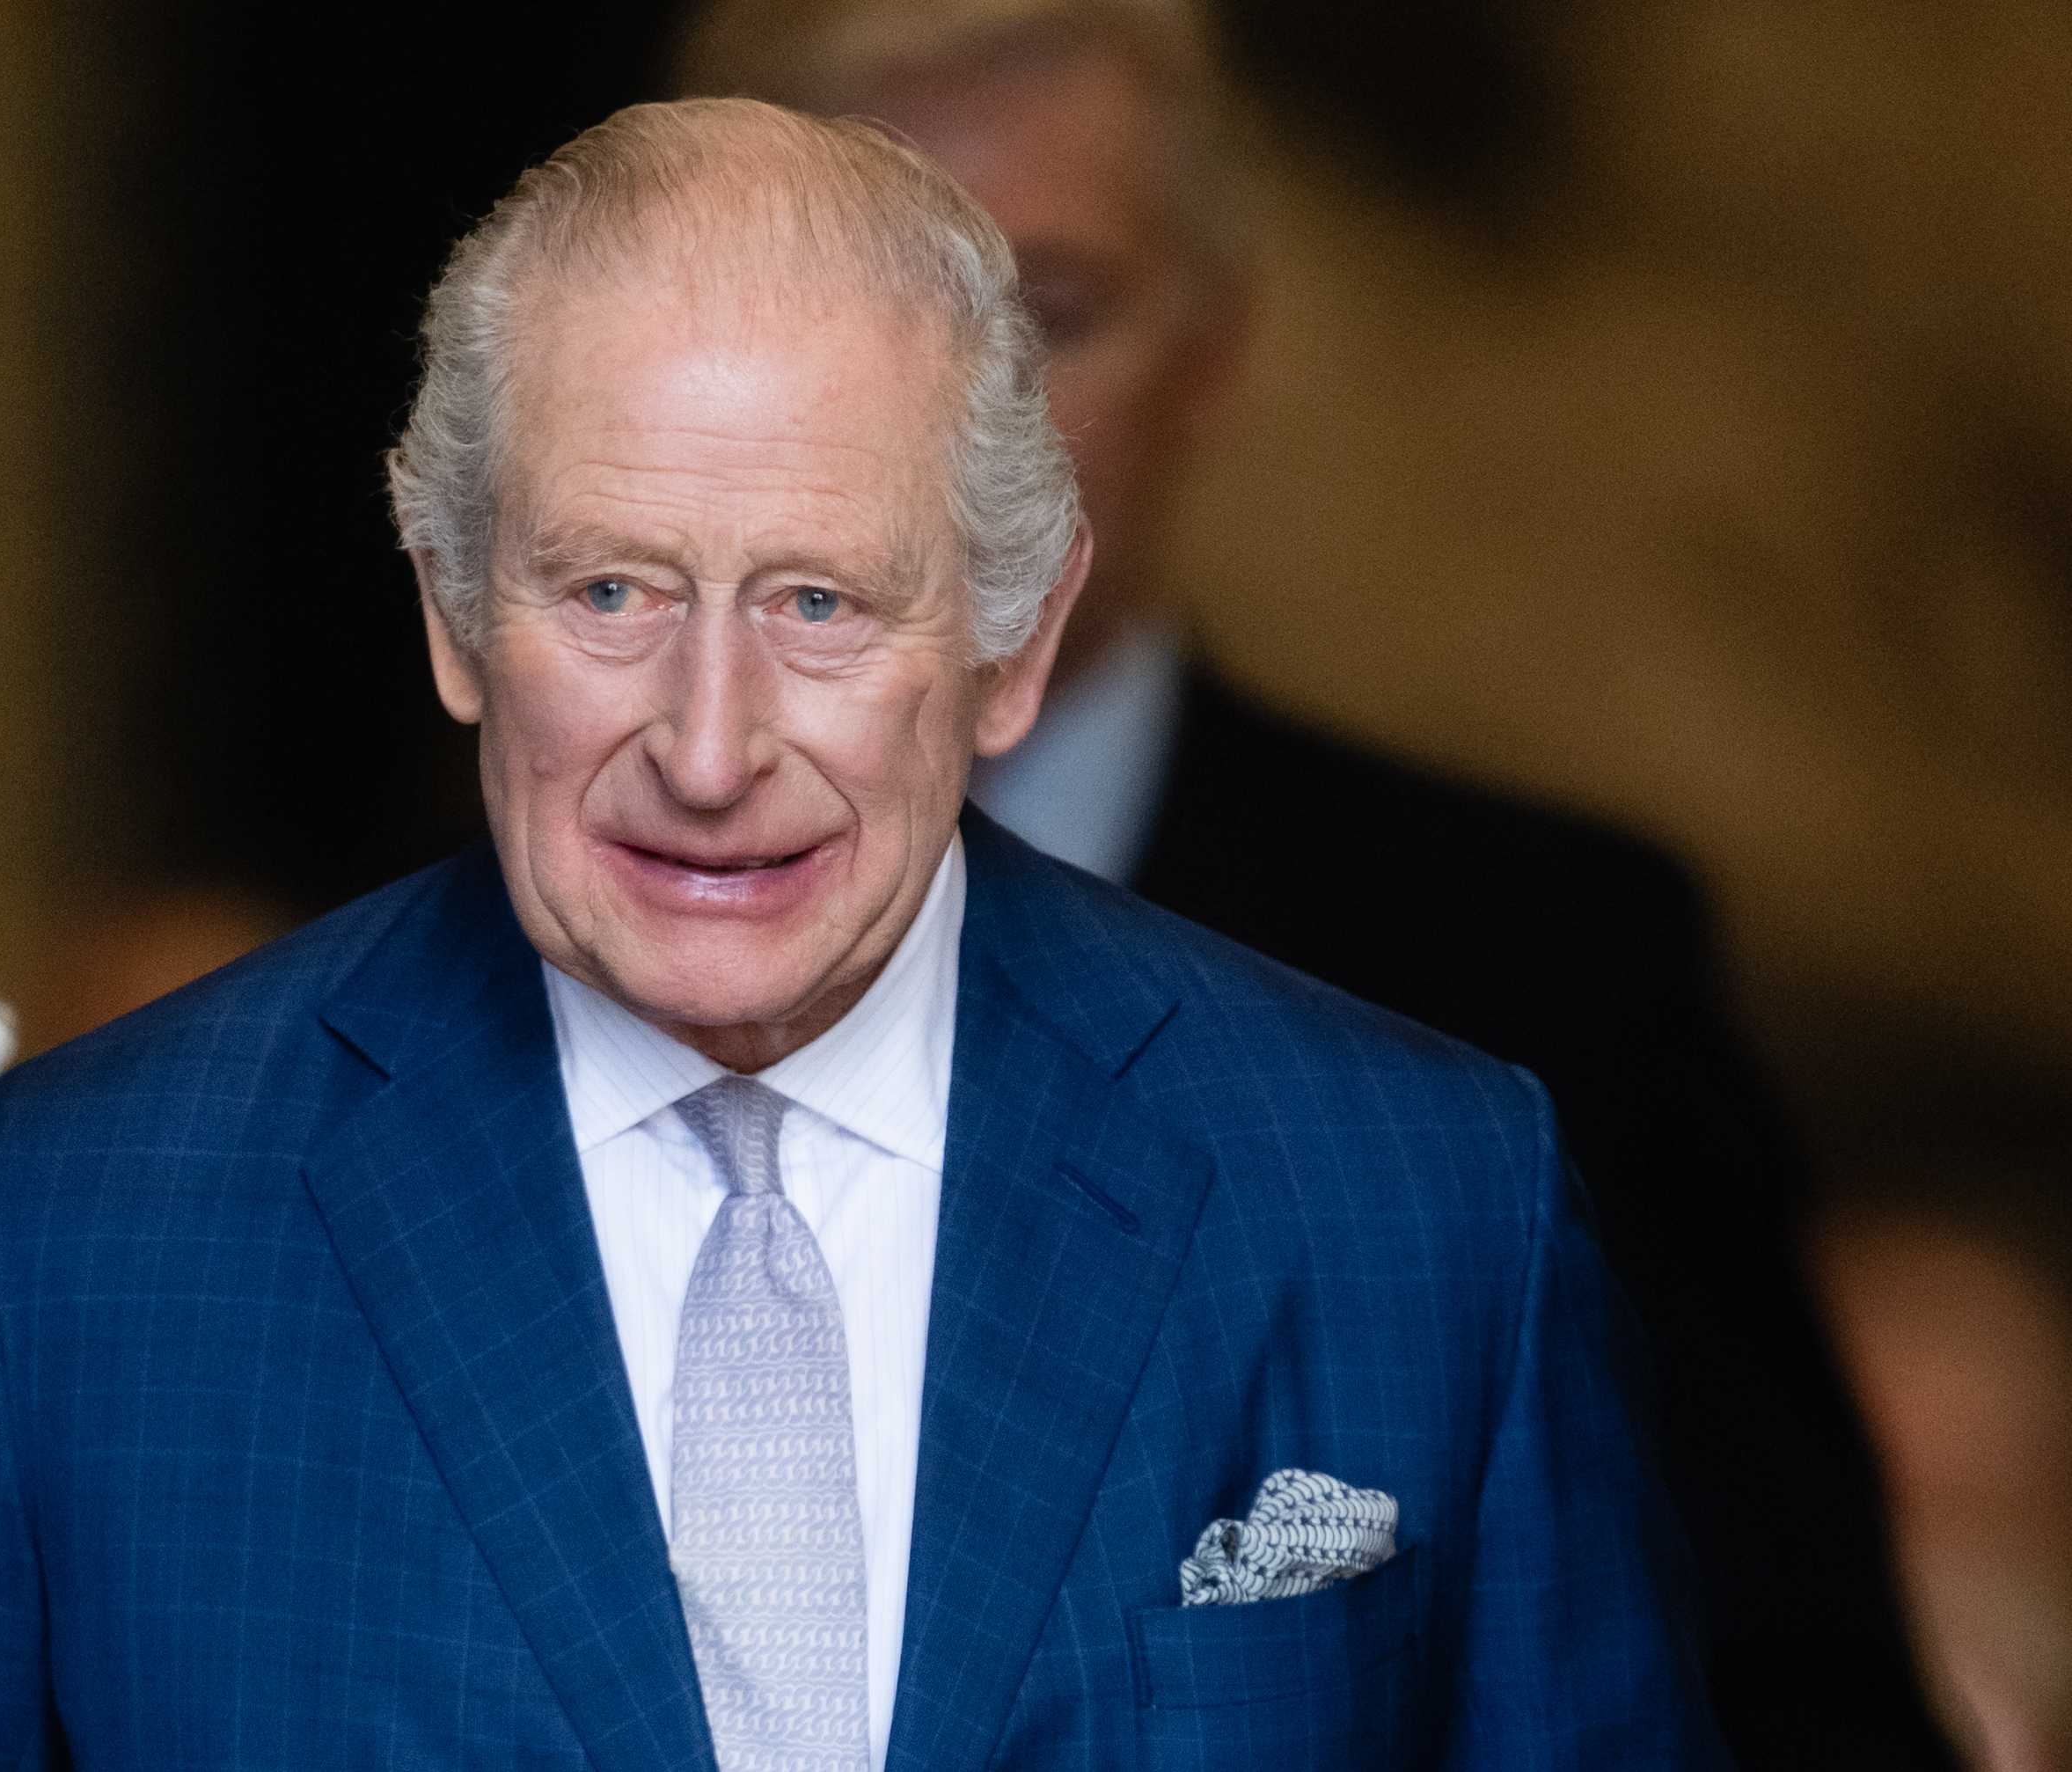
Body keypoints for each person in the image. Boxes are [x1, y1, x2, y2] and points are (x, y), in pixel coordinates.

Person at [0, 99, 1722, 1768]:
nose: (707, 749)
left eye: (821, 604)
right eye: (611, 591)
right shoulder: (74, 1240)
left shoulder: (1421, 1207)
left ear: (1015, 639)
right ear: (450, 611)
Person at [672, 4, 1952, 1764]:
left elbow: (1789, 1705)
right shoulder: (469, 982)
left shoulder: (1534, 989)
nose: (956, 426)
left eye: (1054, 314)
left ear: (1211, 352)